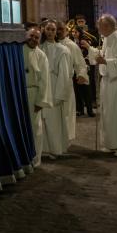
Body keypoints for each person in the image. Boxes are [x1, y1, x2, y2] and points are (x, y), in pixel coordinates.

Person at [86, 14, 117, 157]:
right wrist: (91, 49)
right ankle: (111, 143)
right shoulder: (107, 39)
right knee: (109, 113)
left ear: (107, 26)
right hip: (108, 81)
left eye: (99, 27)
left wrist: (106, 61)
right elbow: (103, 55)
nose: (98, 29)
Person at [40, 19, 73, 159]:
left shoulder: (62, 50)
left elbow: (64, 74)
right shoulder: (39, 47)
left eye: (53, 30)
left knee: (53, 120)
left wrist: (60, 94)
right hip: (41, 86)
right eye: (48, 29)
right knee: (42, 119)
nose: (50, 32)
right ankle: (42, 149)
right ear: (43, 30)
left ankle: (54, 148)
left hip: (53, 86)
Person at [22, 23, 52, 166]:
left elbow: (45, 80)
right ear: (26, 36)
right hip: (21, 94)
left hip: (34, 94)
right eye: (31, 36)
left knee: (35, 128)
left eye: (37, 37)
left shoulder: (41, 56)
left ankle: (36, 158)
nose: (34, 39)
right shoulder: (18, 50)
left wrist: (40, 102)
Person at [57, 20, 91, 140]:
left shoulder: (71, 45)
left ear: (66, 31)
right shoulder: (48, 43)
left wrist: (81, 75)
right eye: (57, 29)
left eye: (61, 29)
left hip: (66, 82)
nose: (59, 31)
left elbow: (80, 63)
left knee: (67, 111)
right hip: (53, 84)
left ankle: (67, 137)